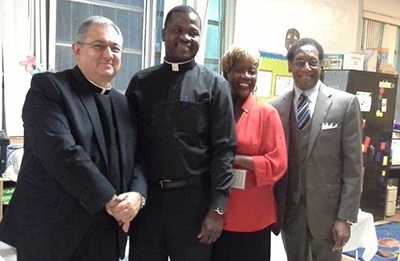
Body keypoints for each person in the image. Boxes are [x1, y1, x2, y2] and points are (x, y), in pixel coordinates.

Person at [0, 16, 146, 261]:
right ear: (77, 50)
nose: (108, 54)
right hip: (52, 232)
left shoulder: (124, 104)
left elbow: (139, 158)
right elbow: (61, 152)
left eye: (115, 48)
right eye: (98, 45)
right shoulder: (49, 89)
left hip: (106, 233)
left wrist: (137, 196)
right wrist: (111, 200)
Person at [125, 5, 237, 261]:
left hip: (194, 204)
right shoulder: (141, 82)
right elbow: (131, 146)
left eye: (193, 32)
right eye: (177, 30)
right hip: (147, 201)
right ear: (163, 34)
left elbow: (224, 150)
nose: (185, 37)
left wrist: (217, 208)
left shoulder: (215, 86)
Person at [269, 37, 363, 261]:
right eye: (300, 62)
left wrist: (345, 218)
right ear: (289, 65)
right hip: (291, 213)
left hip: (329, 215)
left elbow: (354, 167)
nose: (306, 68)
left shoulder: (345, 104)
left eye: (313, 62)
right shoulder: (275, 107)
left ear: (321, 66)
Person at [211, 46, 287, 261]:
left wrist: (235, 160)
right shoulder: (214, 110)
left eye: (252, 71)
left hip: (254, 217)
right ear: (226, 72)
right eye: (239, 70)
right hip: (217, 213)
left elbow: (278, 162)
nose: (246, 76)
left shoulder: (266, 113)